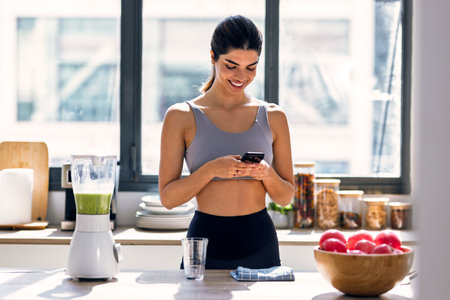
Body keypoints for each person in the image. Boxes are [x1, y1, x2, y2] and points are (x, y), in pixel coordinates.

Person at [158, 15, 294, 270]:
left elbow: (286, 196)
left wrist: (266, 173)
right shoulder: (181, 116)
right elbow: (168, 198)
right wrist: (211, 170)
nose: (242, 76)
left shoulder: (274, 116)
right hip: (205, 240)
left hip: (260, 239)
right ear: (213, 57)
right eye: (231, 65)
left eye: (251, 67)